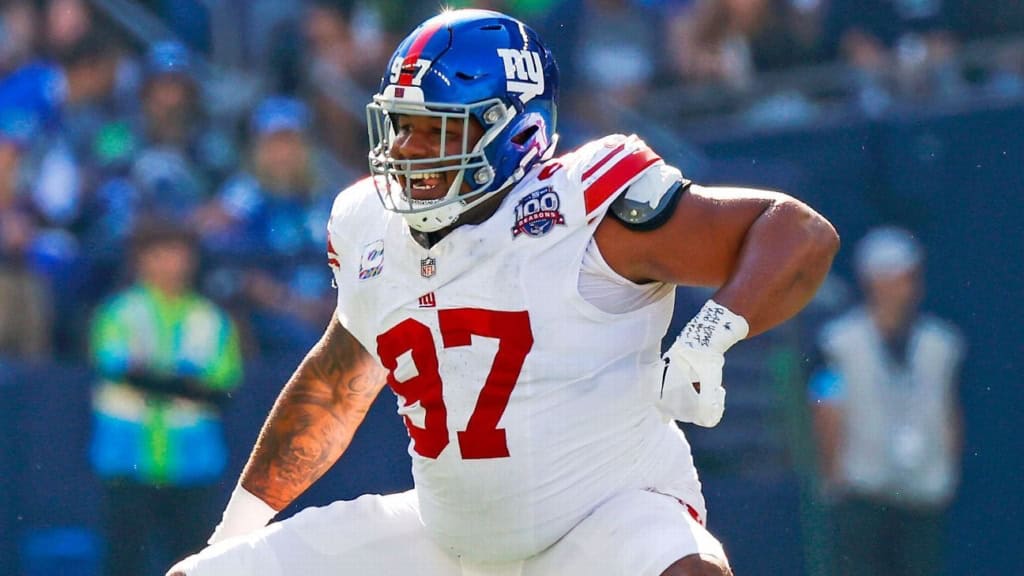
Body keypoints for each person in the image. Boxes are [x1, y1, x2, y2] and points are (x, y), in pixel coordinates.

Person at [169, 9, 838, 576]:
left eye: (439, 129)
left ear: (514, 130)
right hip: (447, 538)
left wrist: (710, 335)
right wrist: (238, 529)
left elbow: (797, 234)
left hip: (605, 520)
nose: (409, 150)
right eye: (403, 124)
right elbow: (336, 385)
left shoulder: (583, 208)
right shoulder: (367, 221)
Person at [89, 217, 243, 576]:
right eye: (159, 254)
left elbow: (224, 388)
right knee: (125, 562)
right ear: (140, 259)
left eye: (178, 253)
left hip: (193, 465)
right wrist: (187, 384)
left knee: (194, 564)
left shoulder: (210, 318)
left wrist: (154, 377)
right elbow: (117, 368)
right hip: (128, 461)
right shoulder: (119, 313)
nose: (171, 263)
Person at [809, 227, 964, 576]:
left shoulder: (942, 344)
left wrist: (946, 473)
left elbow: (949, 411)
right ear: (874, 280)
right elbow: (827, 408)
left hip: (922, 493)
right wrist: (833, 477)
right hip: (863, 491)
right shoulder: (837, 343)